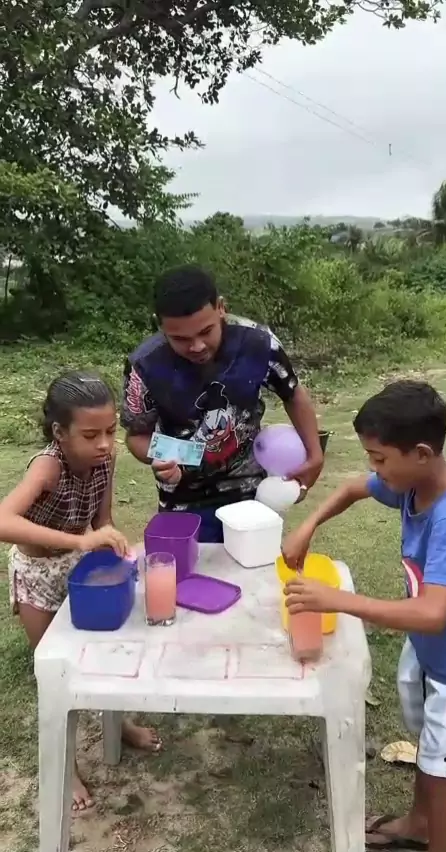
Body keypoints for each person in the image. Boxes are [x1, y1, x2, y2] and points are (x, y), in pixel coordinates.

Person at [282, 380, 446, 852]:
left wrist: (336, 599)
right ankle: (416, 824)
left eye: (380, 458)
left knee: (442, 769)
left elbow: (432, 613)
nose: (374, 469)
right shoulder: (416, 486)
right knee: (429, 750)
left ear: (422, 454)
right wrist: (308, 526)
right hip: (431, 654)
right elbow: (353, 488)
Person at [0, 372, 161, 813]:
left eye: (111, 430)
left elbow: (101, 520)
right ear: (60, 432)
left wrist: (109, 541)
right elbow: (3, 520)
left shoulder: (106, 459)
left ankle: (119, 724)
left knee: (104, 655)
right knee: (58, 673)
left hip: (81, 566)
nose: (105, 444)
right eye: (91, 435)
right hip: (38, 576)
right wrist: (80, 540)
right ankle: (67, 767)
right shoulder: (47, 466)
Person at [121, 265, 323, 541]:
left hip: (250, 493)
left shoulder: (258, 343)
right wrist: (165, 458)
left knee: (253, 564)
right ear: (160, 324)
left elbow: (293, 394)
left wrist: (315, 454)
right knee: (188, 569)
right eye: (180, 339)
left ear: (221, 308)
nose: (197, 346)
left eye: (206, 331)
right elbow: (137, 436)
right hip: (182, 499)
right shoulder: (145, 365)